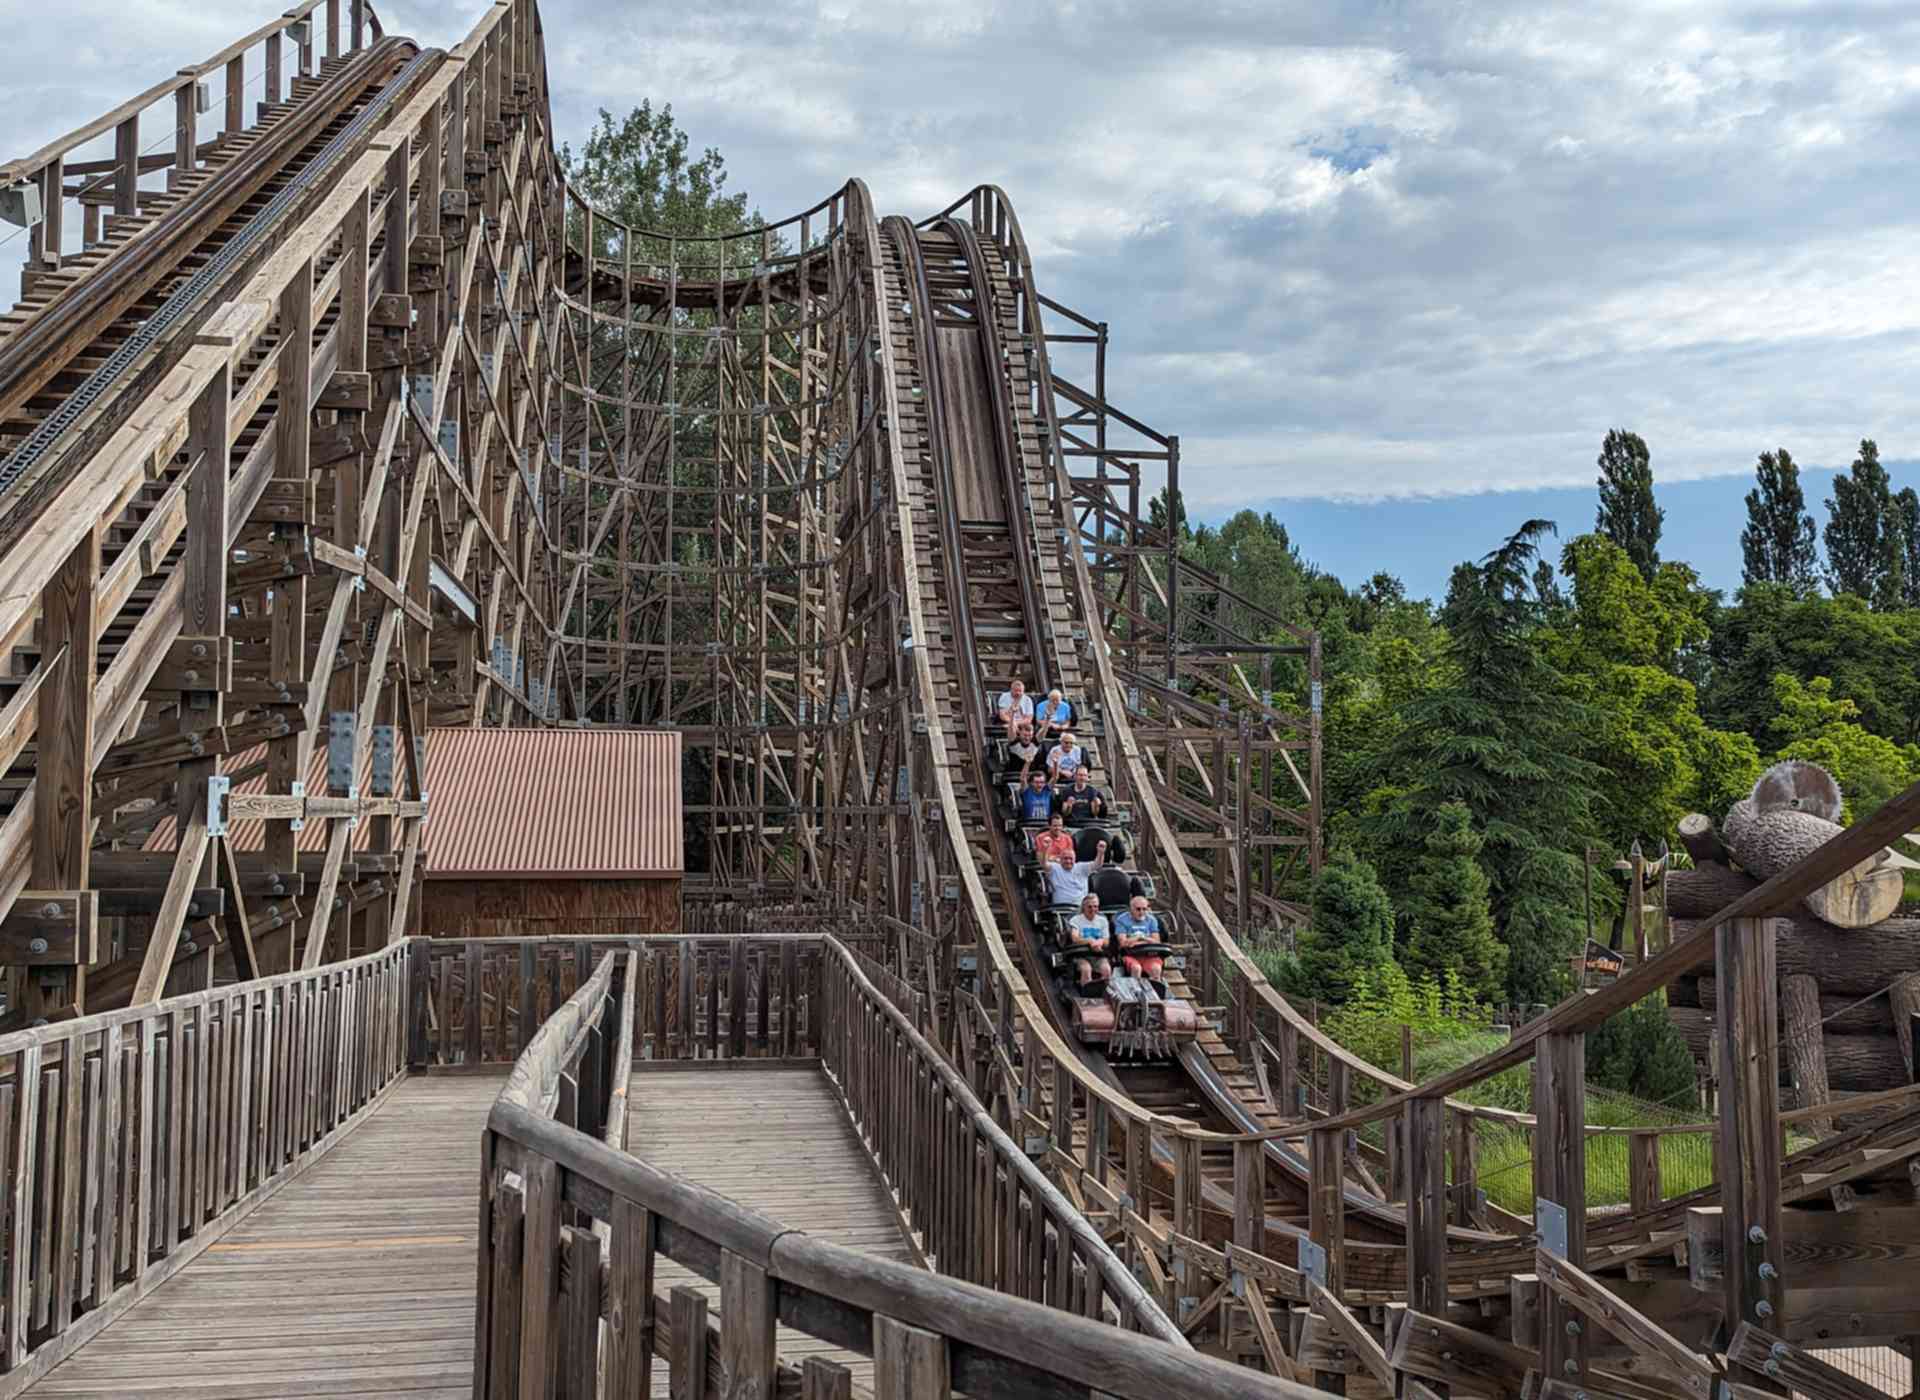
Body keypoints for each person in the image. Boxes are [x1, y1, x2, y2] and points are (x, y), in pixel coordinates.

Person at [1112, 896, 1164, 980]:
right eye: (1138, 909)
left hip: (1149, 954)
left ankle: (1155, 991)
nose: (1141, 912)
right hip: (1130, 954)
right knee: (1136, 969)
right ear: (1131, 909)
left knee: (1156, 969)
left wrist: (1139, 938)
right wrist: (1146, 939)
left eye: (1144, 909)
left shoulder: (1151, 920)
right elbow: (1123, 943)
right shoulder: (1121, 920)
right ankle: (1136, 991)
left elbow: (1156, 942)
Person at [1066, 893, 1111, 986]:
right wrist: (1090, 941)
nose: (1093, 909)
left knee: (1106, 969)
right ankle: (1087, 994)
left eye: (1095, 907)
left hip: (1098, 954)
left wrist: (1100, 942)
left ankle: (1105, 993)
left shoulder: (1102, 920)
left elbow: (1106, 941)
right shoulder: (1076, 920)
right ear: (1084, 907)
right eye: (1090, 907)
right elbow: (1075, 938)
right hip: (1081, 955)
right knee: (1086, 969)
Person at [1045, 839, 1107, 906]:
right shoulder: (1055, 868)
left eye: (1071, 859)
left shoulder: (1081, 867)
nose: (1068, 861)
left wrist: (1100, 853)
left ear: (1075, 859)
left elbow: (1097, 865)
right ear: (1060, 859)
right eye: (1065, 858)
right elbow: (1043, 863)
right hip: (1060, 909)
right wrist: (1044, 849)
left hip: (1081, 908)